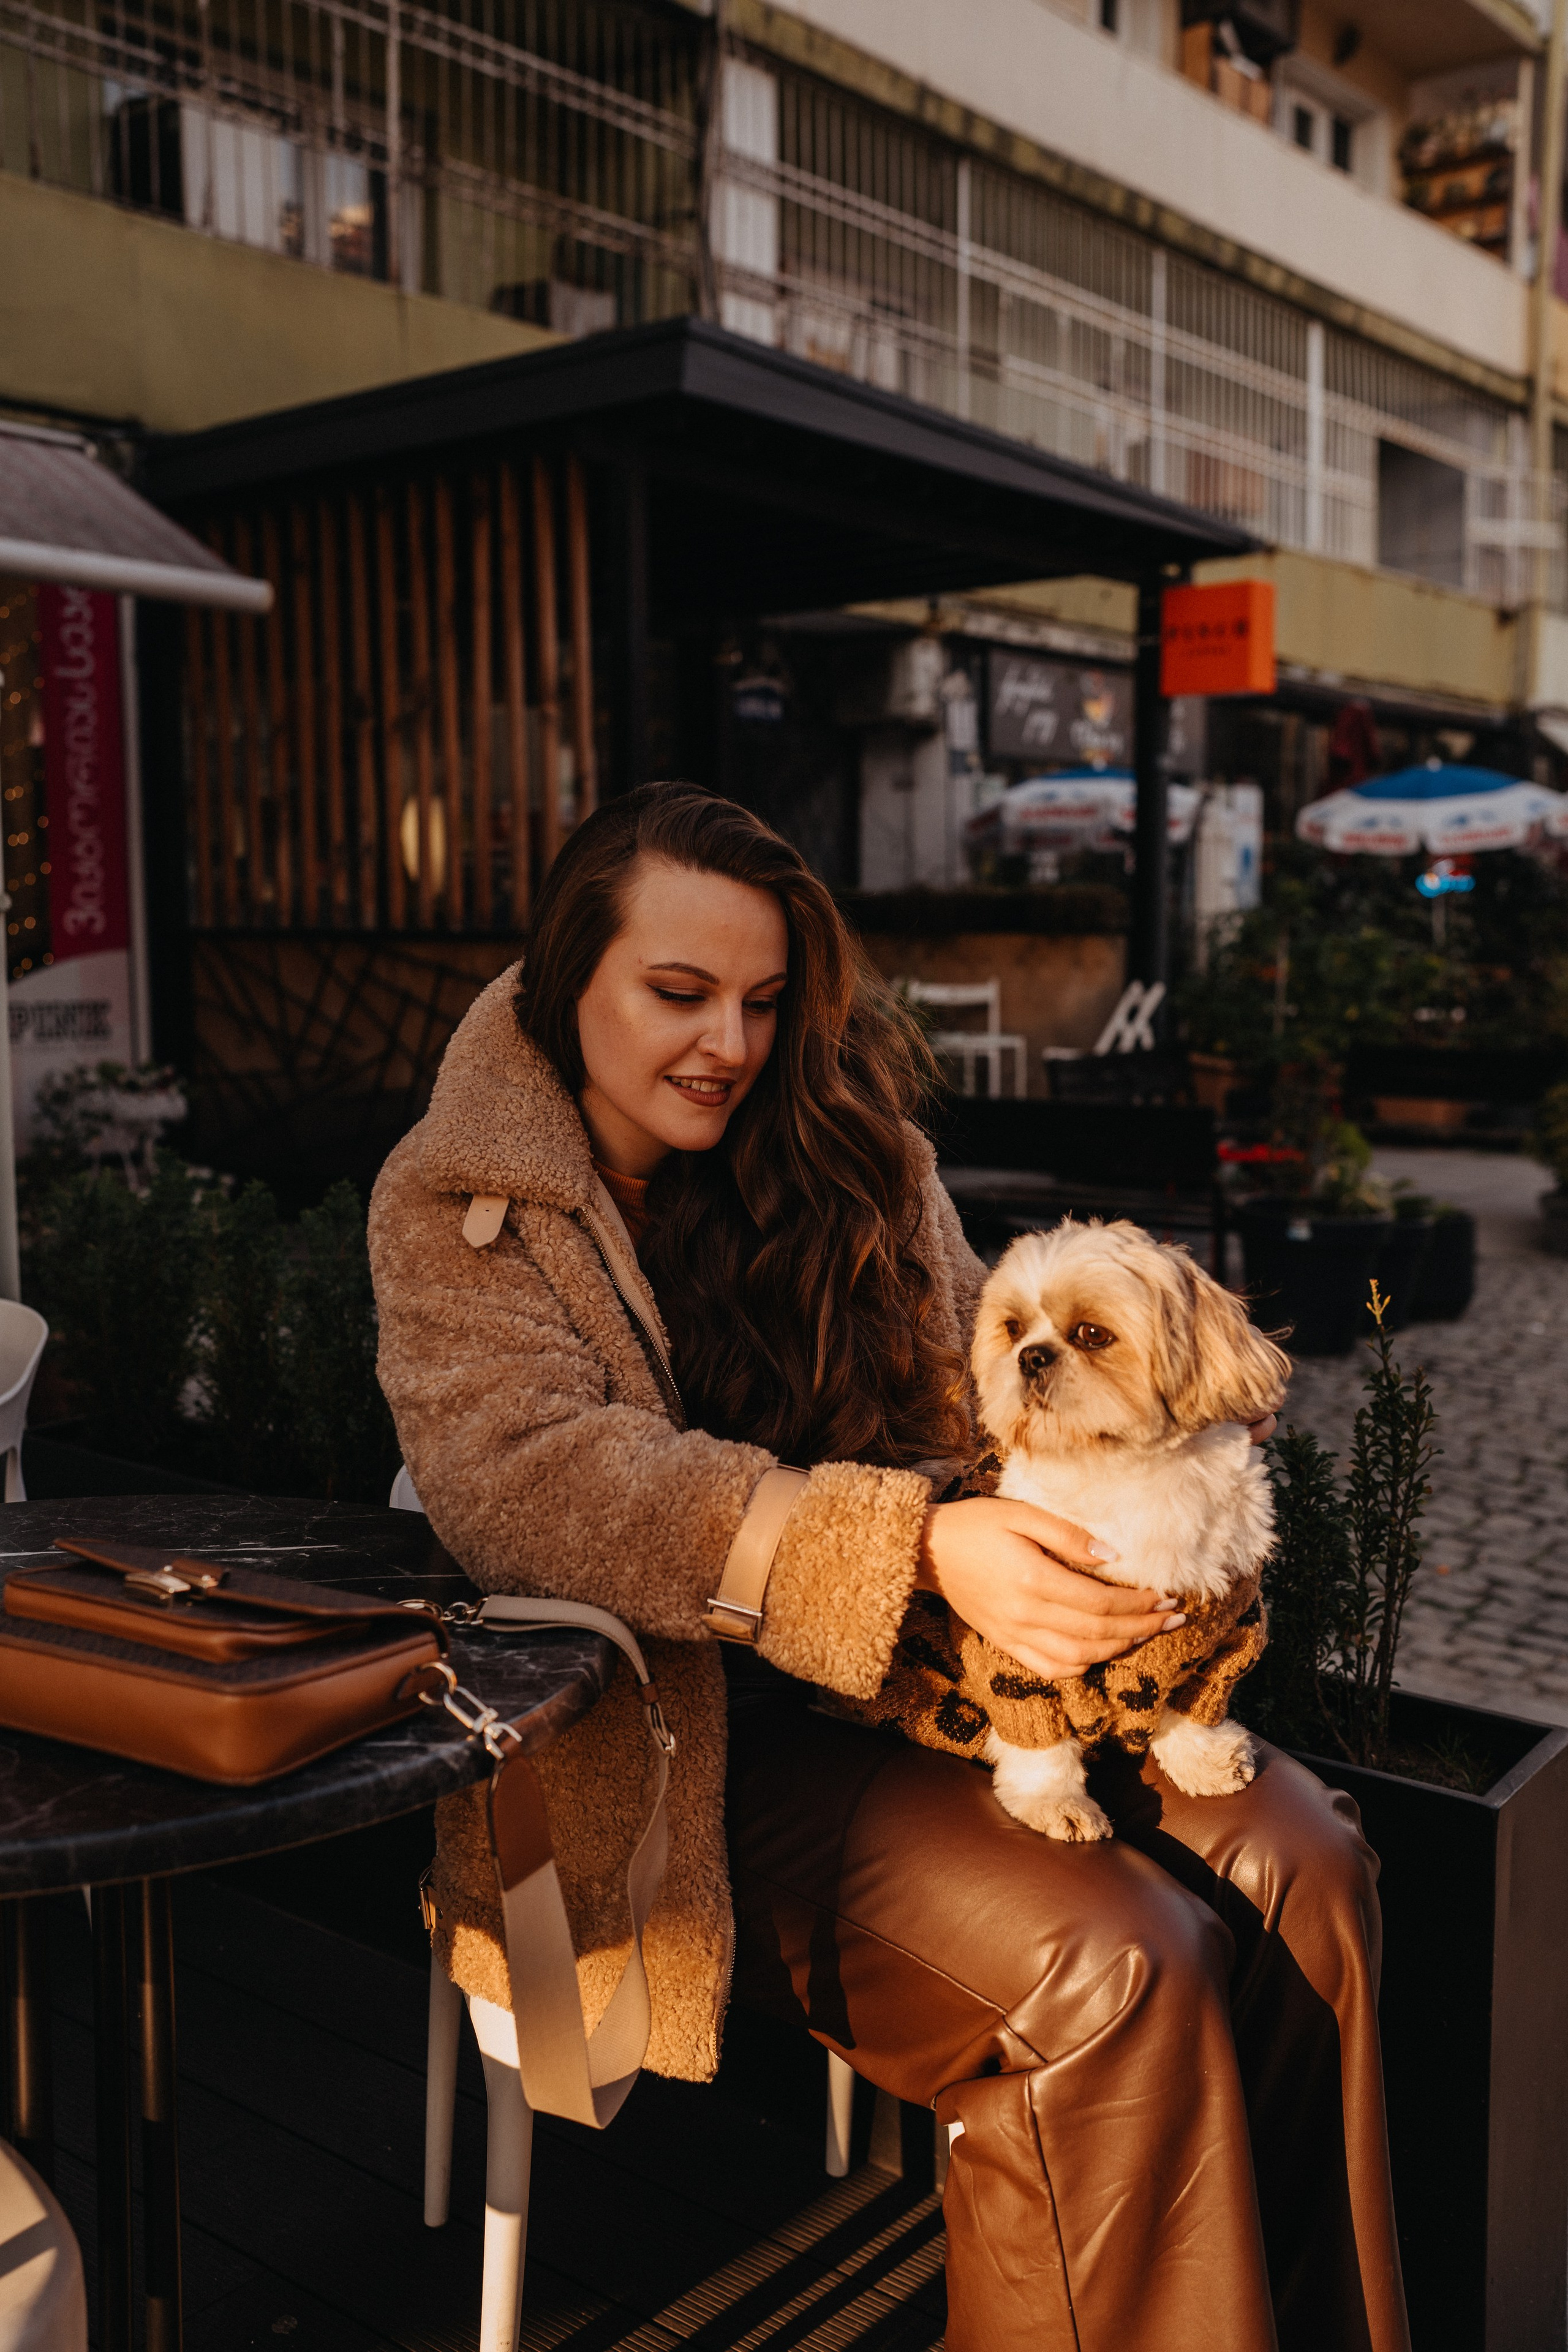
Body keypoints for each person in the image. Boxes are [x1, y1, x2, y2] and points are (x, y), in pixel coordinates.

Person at [368, 783, 1410, 2352]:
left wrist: (1146, 1448)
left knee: (1301, 1865)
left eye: (763, 1000)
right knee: (1109, 1962)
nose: (727, 1040)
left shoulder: (856, 1155)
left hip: (942, 1686)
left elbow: (973, 1395)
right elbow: (525, 1486)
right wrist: (913, 1546)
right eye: (676, 993)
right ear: (560, 978)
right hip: (672, 1747)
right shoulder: (454, 1200)